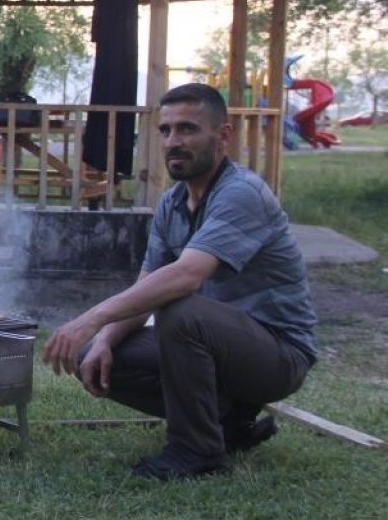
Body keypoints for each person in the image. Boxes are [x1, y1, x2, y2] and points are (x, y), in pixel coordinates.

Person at [42, 83, 316, 482]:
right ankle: (229, 423)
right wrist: (101, 339)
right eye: (166, 131)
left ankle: (196, 452)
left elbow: (187, 276)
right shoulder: (172, 203)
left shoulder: (241, 193)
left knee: (181, 310)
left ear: (222, 136)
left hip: (278, 354)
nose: (174, 141)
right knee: (97, 357)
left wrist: (92, 317)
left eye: (187, 129)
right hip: (219, 347)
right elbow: (147, 285)